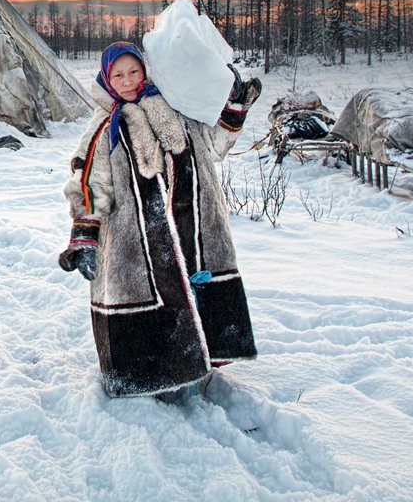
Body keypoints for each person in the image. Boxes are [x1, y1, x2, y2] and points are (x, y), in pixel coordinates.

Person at [59, 41, 262, 401]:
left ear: (146, 71)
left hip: (186, 225)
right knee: (150, 295)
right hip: (132, 237)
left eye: (134, 72)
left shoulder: (175, 110)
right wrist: (84, 237)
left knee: (189, 285)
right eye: (118, 75)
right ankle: (152, 378)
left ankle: (200, 364)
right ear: (106, 78)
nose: (127, 81)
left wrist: (233, 108)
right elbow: (88, 183)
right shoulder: (104, 128)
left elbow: (214, 146)